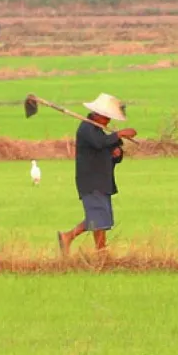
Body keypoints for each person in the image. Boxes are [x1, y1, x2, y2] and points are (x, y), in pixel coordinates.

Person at [57, 93, 138, 255]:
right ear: (98, 115)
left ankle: (84, 244)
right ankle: (89, 247)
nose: (108, 121)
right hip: (91, 181)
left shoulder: (99, 131)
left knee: (101, 218)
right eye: (106, 117)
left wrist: (116, 153)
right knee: (98, 218)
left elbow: (107, 151)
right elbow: (99, 143)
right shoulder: (86, 128)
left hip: (102, 180)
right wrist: (119, 134)